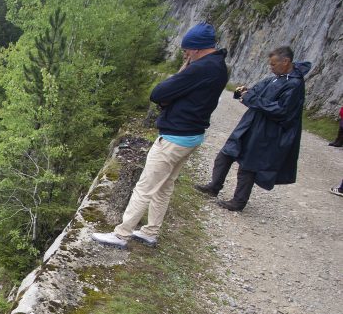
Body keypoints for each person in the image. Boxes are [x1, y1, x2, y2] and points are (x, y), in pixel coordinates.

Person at [92, 23, 228, 249]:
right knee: (165, 186)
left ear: (196, 49)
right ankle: (150, 231)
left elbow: (158, 93)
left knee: (144, 187)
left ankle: (121, 234)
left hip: (175, 137)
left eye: (186, 51)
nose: (184, 55)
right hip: (192, 135)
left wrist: (181, 74)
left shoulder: (200, 68)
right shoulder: (219, 66)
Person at [194, 46, 311, 211]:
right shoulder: (276, 78)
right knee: (226, 153)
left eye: (273, 64)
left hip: (266, 130)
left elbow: (281, 110)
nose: (271, 67)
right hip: (250, 123)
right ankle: (214, 186)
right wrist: (243, 92)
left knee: (248, 165)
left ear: (286, 62)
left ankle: (238, 202)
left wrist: (251, 98)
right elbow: (255, 92)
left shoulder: (294, 84)